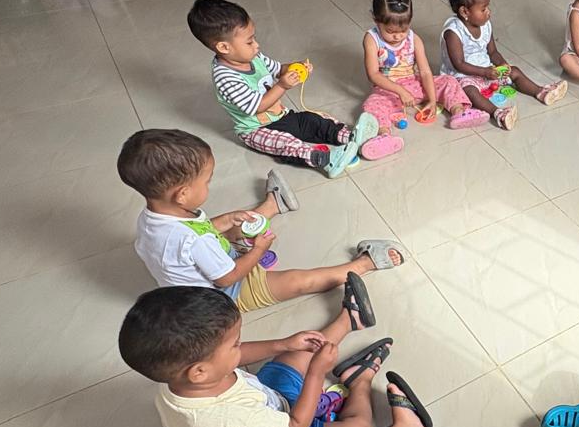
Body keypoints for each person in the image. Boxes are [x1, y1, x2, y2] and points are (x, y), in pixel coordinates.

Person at [119, 286, 430, 427]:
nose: (241, 347)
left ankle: (350, 319)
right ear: (199, 371)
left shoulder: (183, 377)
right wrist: (316, 374)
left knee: (295, 353)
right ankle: (376, 399)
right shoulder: (229, 420)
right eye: (235, 344)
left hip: (271, 406)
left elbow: (237, 359)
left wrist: (283, 344)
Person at [118, 129, 404, 314]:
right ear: (182, 194)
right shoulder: (194, 241)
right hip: (223, 294)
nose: (209, 186)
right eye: (206, 181)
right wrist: (257, 251)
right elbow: (227, 277)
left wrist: (225, 219)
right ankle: (364, 264)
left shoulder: (155, 216)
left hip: (203, 266)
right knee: (297, 281)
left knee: (237, 224)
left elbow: (201, 231)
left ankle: (272, 205)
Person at [187, 0, 376, 176]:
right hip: (256, 130)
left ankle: (350, 137)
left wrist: (295, 68)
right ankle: (325, 159)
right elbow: (257, 107)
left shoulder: (254, 57)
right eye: (249, 41)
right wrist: (283, 86)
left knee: (312, 120)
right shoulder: (225, 77)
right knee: (286, 144)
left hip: (282, 116)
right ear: (224, 47)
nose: (256, 45)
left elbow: (278, 69)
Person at [359, 0, 477, 150]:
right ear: (376, 20)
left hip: (414, 84)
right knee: (371, 106)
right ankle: (384, 136)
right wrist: (400, 91)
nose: (398, 36)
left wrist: (433, 100)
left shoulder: (414, 39)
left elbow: (425, 72)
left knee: (448, 81)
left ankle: (459, 112)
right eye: (390, 32)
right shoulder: (371, 39)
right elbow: (373, 75)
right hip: (388, 90)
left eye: (403, 30)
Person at [440, 0, 567, 129]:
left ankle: (541, 92)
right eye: (483, 9)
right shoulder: (453, 32)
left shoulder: (485, 25)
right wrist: (484, 72)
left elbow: (493, 52)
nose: (489, 12)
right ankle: (498, 113)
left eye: (488, 7)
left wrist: (502, 65)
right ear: (465, 12)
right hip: (463, 76)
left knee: (515, 71)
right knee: (470, 91)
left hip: (487, 71)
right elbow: (459, 64)